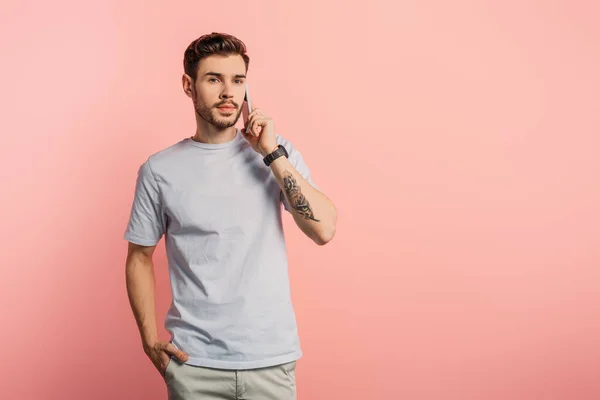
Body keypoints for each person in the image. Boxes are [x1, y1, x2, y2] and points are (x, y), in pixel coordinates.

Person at [124, 32, 338, 400]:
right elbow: (139, 257)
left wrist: (271, 154)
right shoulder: (159, 171)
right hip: (195, 365)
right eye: (214, 79)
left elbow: (324, 229)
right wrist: (149, 339)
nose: (228, 92)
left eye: (238, 80)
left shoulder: (275, 156)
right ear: (188, 86)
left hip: (271, 360)